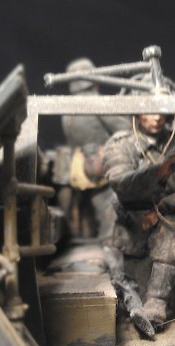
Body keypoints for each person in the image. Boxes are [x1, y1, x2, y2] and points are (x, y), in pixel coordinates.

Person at [103, 111, 175, 337]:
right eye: (150, 111)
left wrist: (165, 206)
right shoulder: (121, 144)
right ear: (137, 113)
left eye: (162, 112)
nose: (157, 118)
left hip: (173, 222)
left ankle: (157, 303)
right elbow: (120, 183)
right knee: (129, 295)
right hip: (133, 230)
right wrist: (159, 172)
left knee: (174, 228)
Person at [58, 58, 130, 241]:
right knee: (109, 204)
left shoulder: (66, 108)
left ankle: (88, 236)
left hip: (78, 163)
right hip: (101, 161)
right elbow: (125, 129)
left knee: (88, 207)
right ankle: (109, 241)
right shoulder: (97, 102)